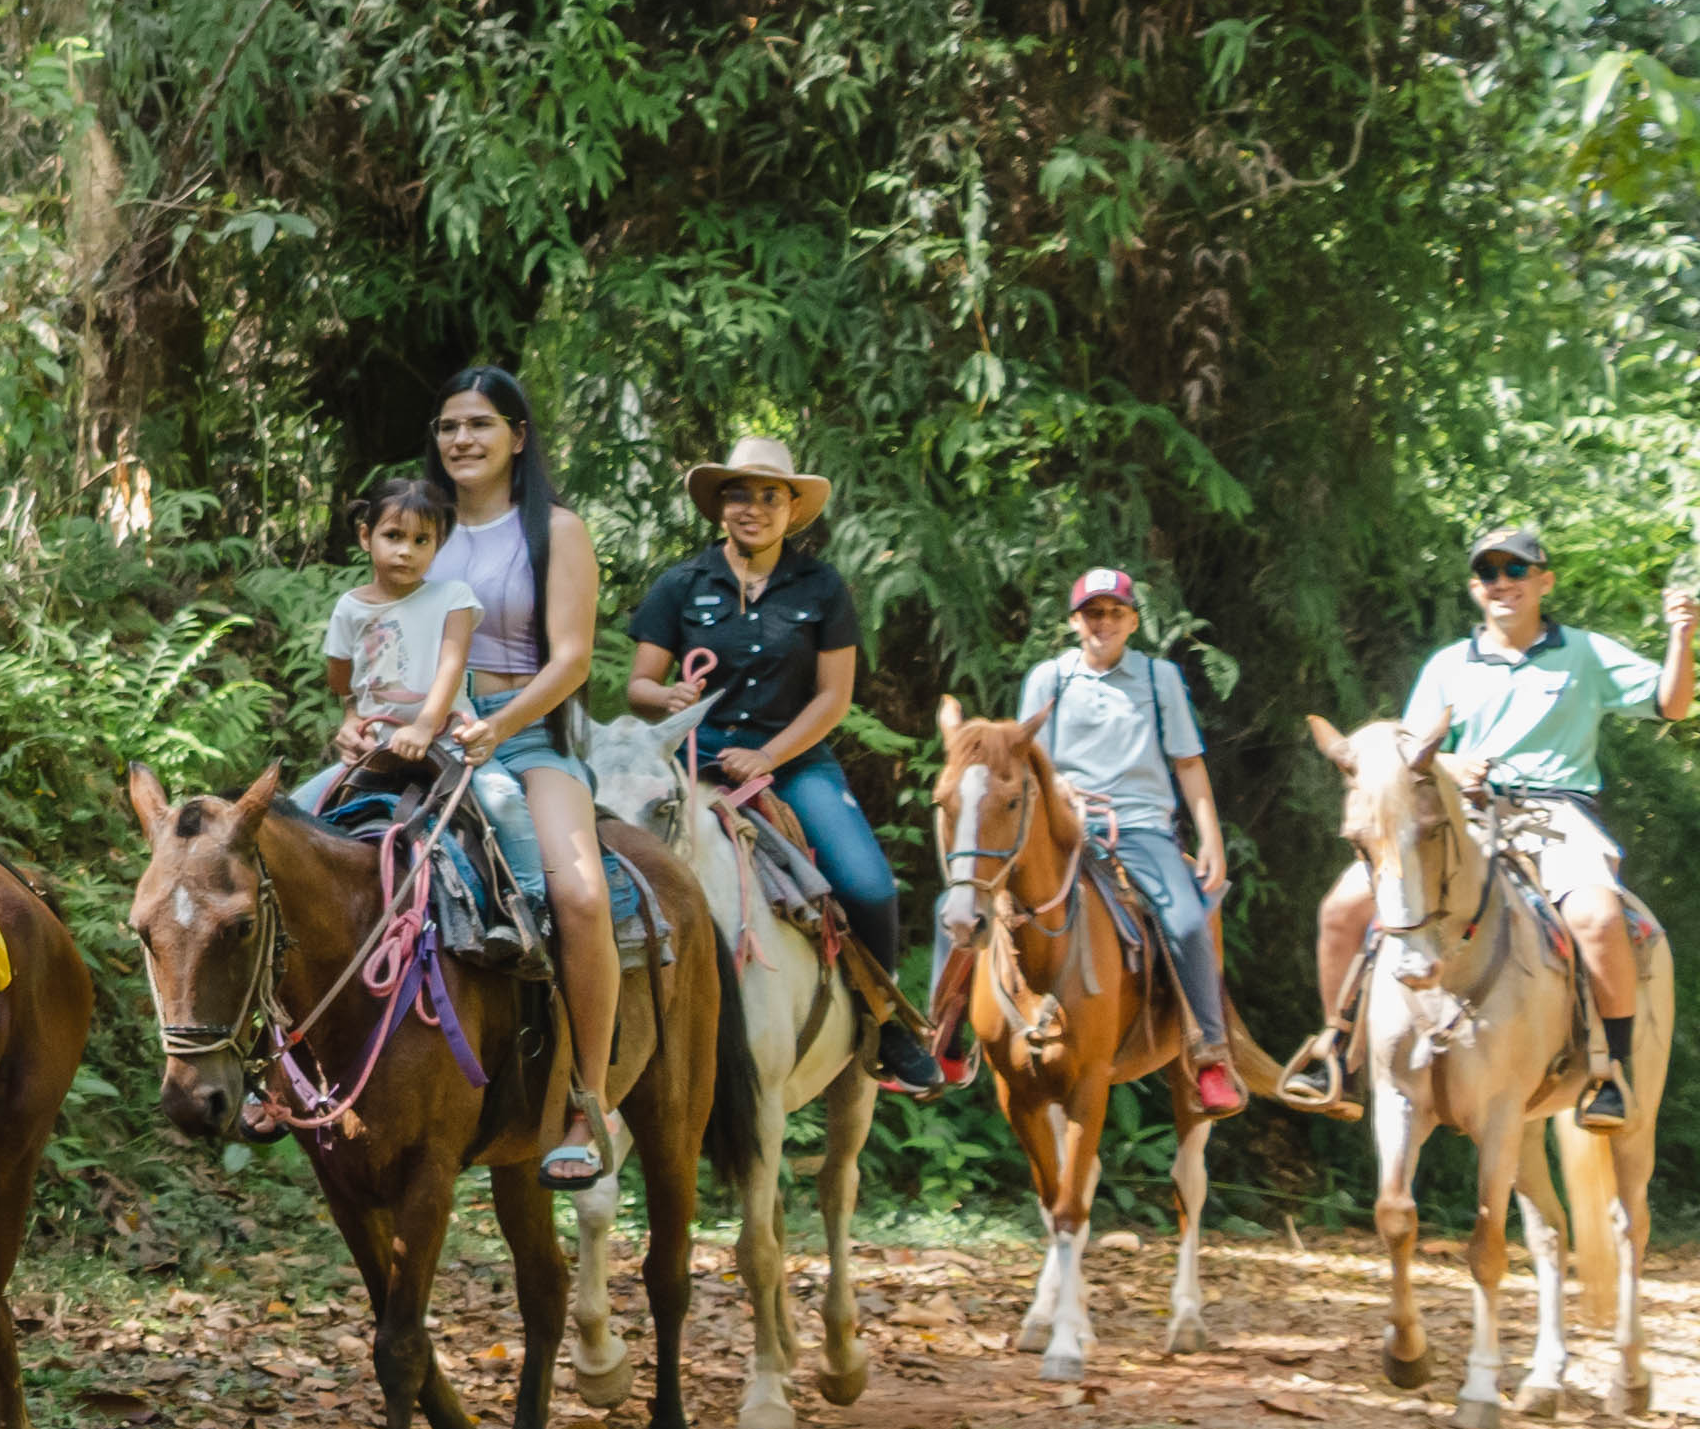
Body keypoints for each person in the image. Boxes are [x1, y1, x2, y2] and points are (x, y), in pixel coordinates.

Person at [1274, 525, 1700, 1131]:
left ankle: (1611, 1072)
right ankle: (1337, 1048)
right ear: (1476, 589)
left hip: (1555, 815)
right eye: (1489, 573)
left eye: (1516, 570)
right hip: (1463, 815)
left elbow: (1672, 704)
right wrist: (1449, 764)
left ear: (1543, 582)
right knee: (1342, 907)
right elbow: (1412, 754)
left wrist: (1682, 636)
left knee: (1599, 917)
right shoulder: (1449, 665)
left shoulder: (1585, 652)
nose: (1503, 582)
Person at [625, 435, 941, 1097]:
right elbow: (640, 687)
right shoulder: (681, 584)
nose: (754, 508)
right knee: (623, 861)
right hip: (695, 762)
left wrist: (768, 755)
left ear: (792, 510)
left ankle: (884, 1023)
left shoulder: (822, 588)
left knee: (870, 885)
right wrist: (667, 697)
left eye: (770, 496)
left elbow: (833, 698)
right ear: (720, 505)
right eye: (740, 494)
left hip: (793, 763)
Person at [420, 367, 630, 1183]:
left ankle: (589, 1098)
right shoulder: (422, 524)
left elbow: (572, 659)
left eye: (479, 424)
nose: (462, 440)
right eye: (448, 426)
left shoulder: (556, 530)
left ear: (518, 436)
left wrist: (498, 726)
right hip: (427, 734)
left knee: (579, 895)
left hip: (527, 736)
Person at [1014, 569, 1243, 1115]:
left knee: (1188, 923)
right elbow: (1025, 762)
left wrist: (1211, 836)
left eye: (1115, 612)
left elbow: (1188, 763)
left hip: (1139, 827)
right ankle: (944, 1035)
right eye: (1092, 613)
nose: (1104, 623)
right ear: (1075, 622)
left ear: (1133, 621)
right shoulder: (1049, 678)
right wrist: (1058, 788)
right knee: (974, 896)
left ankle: (1210, 1055)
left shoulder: (1160, 678)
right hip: (1062, 827)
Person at [301, 473, 480, 802]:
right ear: (366, 536)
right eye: (393, 536)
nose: (406, 551)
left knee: (504, 801)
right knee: (296, 808)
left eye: (421, 540)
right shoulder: (350, 608)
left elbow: (451, 666)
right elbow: (341, 681)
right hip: (377, 748)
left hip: (450, 743)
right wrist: (352, 718)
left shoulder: (454, 597)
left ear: (438, 544)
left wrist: (425, 726)